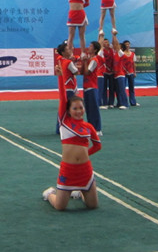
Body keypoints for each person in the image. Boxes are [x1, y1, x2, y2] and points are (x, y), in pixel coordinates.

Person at [41, 58, 101, 211]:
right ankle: (49, 194)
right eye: (75, 108)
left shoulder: (88, 127)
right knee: (60, 207)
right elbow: (63, 97)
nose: (79, 111)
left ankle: (80, 192)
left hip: (85, 169)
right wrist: (60, 77)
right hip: (68, 169)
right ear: (68, 110)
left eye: (81, 108)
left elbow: (97, 146)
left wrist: (84, 154)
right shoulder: (64, 122)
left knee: (93, 205)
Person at [55, 41, 81, 134]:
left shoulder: (60, 60)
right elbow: (76, 72)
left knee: (62, 108)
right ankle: (68, 127)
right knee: (70, 109)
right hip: (69, 88)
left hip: (64, 87)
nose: (70, 50)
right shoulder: (68, 62)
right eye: (67, 49)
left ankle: (59, 127)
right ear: (63, 52)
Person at [81, 32, 104, 135]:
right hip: (86, 87)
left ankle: (98, 129)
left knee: (94, 109)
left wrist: (85, 62)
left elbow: (87, 72)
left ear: (95, 50)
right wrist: (83, 62)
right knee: (89, 109)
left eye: (90, 46)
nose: (88, 48)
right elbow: (82, 72)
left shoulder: (94, 60)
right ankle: (91, 128)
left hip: (92, 87)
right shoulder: (89, 59)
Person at [112, 33, 129, 109]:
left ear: (121, 48)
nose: (116, 46)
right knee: (118, 90)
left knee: (122, 90)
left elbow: (116, 44)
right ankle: (120, 103)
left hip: (120, 75)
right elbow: (114, 44)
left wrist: (115, 35)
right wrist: (113, 36)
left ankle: (125, 104)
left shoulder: (120, 53)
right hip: (116, 75)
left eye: (118, 46)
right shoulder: (115, 53)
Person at [121, 39, 139, 106]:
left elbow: (134, 64)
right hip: (124, 73)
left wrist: (135, 72)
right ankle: (124, 102)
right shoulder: (122, 54)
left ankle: (133, 102)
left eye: (128, 44)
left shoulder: (132, 54)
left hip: (131, 73)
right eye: (126, 44)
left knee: (132, 88)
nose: (127, 45)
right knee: (123, 88)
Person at [99, 37, 115, 109]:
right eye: (105, 42)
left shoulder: (112, 50)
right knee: (104, 88)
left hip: (112, 72)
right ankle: (104, 102)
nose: (107, 43)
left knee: (112, 88)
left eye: (107, 42)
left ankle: (111, 103)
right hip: (104, 72)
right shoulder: (102, 51)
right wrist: (100, 35)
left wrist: (114, 35)